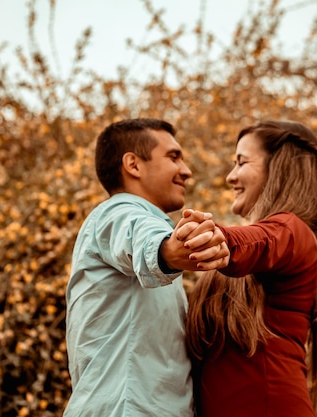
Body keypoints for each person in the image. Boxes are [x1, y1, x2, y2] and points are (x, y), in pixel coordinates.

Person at [63, 118, 230, 417]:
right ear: (134, 165)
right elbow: (141, 239)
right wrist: (169, 250)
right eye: (173, 157)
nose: (186, 170)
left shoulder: (132, 220)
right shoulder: (119, 212)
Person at [183, 120, 317, 417]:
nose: (230, 176)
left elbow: (259, 241)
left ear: (278, 168)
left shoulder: (293, 233)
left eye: (241, 162)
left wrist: (220, 238)